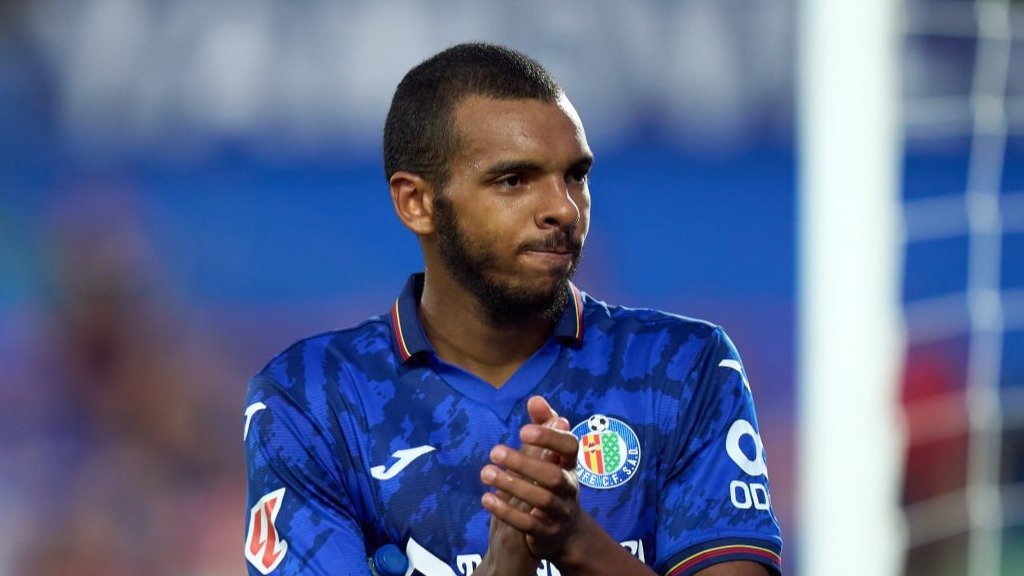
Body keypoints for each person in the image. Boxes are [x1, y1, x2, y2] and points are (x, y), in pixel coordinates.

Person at [244, 42, 782, 576]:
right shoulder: (310, 397)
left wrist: (576, 542)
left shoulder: (683, 368)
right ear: (416, 202)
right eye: (513, 180)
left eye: (575, 175)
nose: (563, 209)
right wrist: (505, 565)